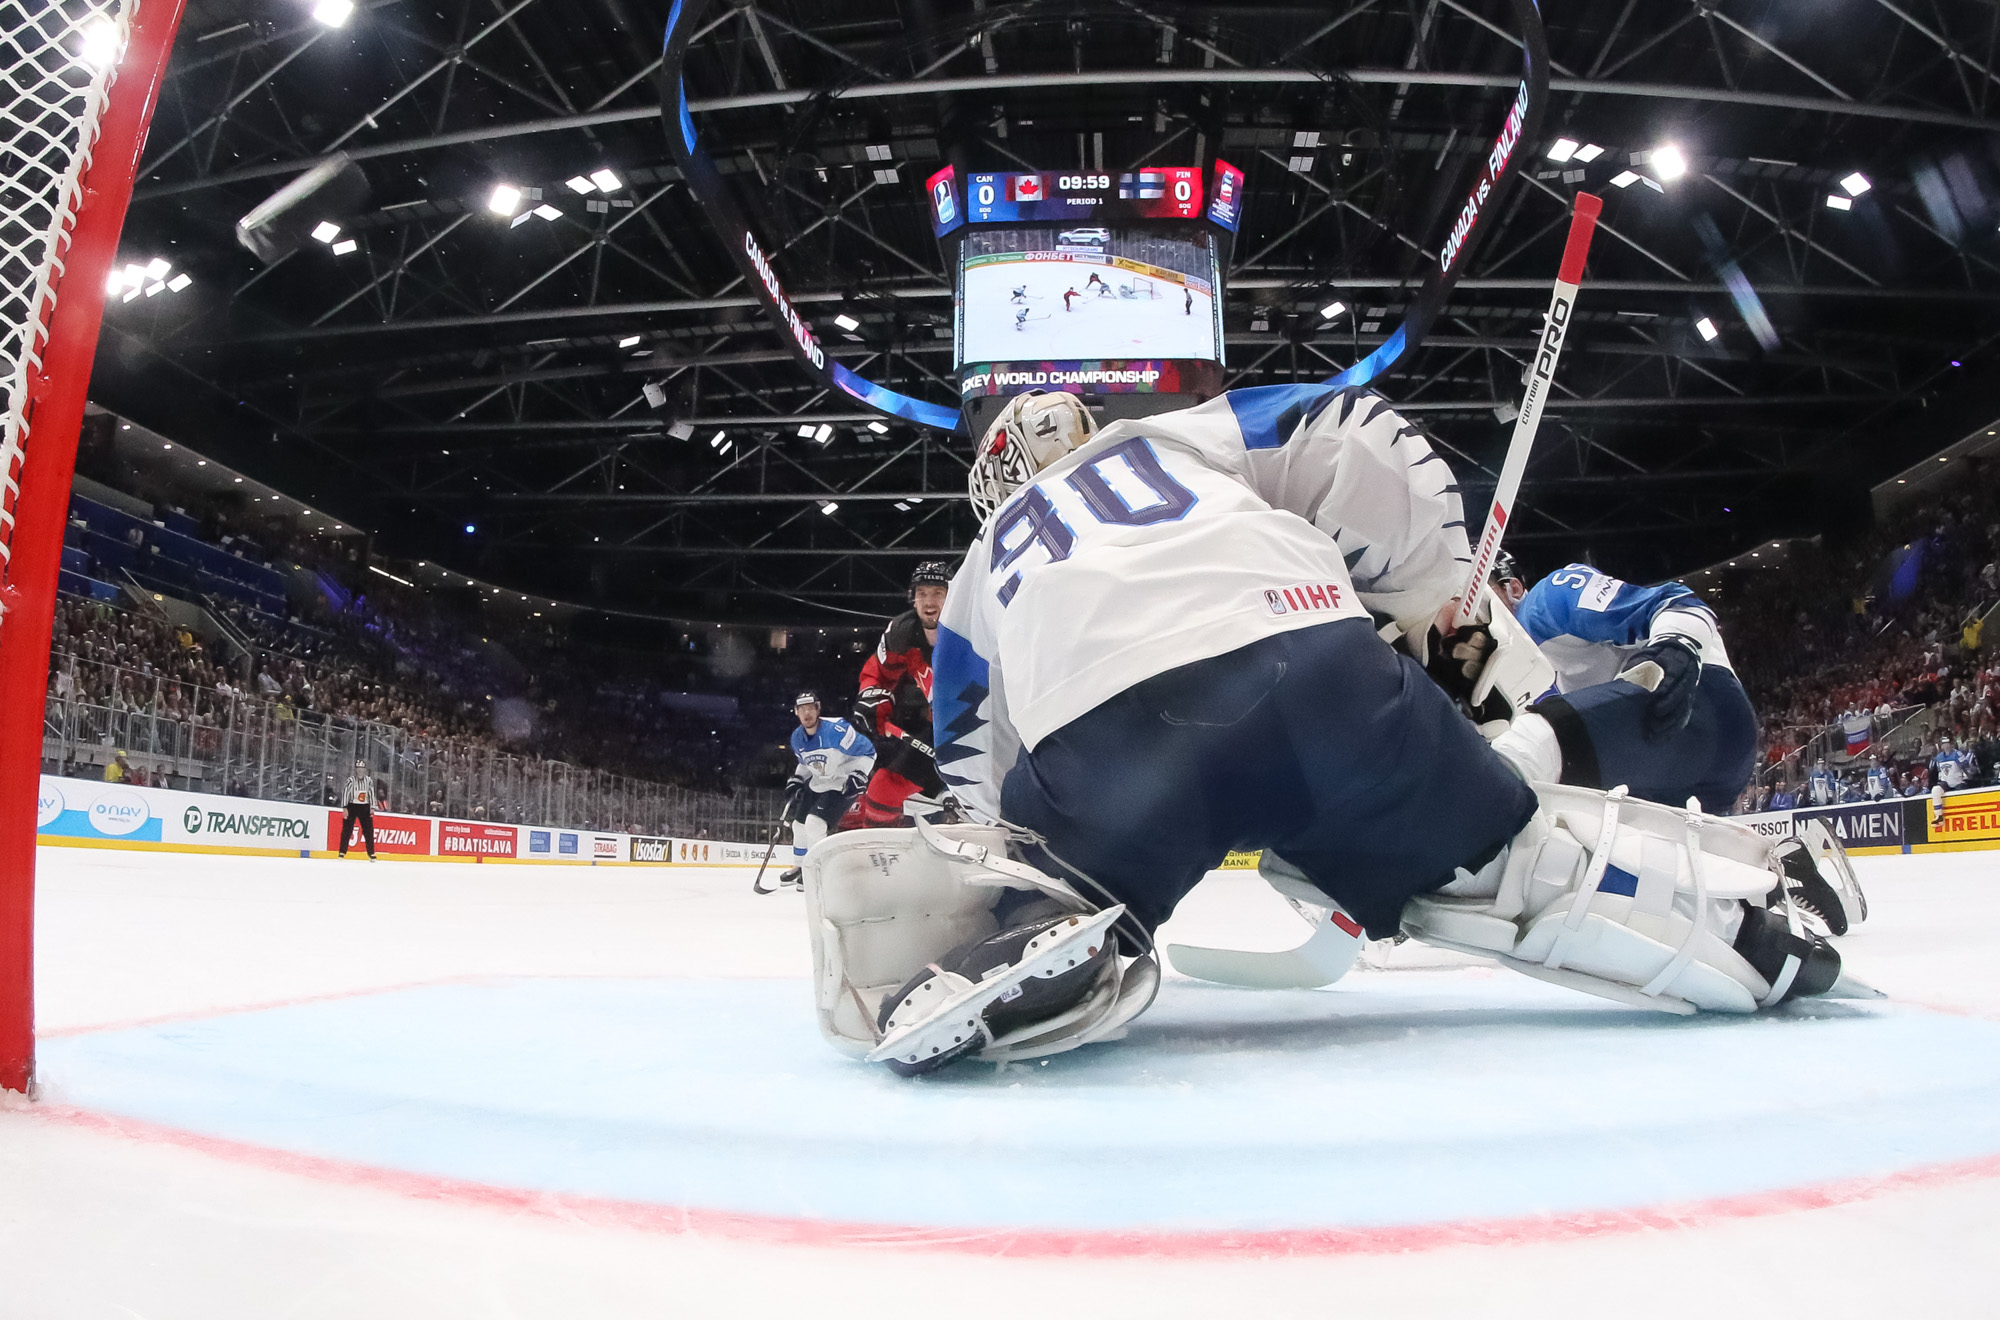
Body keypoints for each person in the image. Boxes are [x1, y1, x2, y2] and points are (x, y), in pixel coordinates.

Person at [801, 385, 1859, 1077]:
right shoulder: (1172, 439)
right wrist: (1419, 584)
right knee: (1505, 860)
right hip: (1314, 670)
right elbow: (1355, 437)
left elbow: (970, 765)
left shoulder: (983, 574)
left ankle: (1068, 922)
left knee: (1061, 870)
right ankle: (1745, 934)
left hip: (1111, 759)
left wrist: (1016, 873)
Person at [1491, 557, 1755, 815]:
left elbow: (1680, 604)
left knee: (1522, 746)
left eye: (1479, 596)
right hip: (1671, 767)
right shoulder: (1497, 675)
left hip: (1698, 710)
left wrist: (1676, 648)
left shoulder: (1545, 602)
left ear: (1512, 588)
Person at [853, 562, 949, 827]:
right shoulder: (902, 632)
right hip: (941, 731)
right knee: (882, 792)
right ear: (913, 598)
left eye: (939, 593)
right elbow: (878, 674)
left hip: (988, 730)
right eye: (923, 593)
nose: (930, 601)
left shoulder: (974, 628)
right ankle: (882, 863)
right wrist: (874, 699)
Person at [777, 691, 875, 889]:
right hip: (820, 780)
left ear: (818, 708)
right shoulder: (797, 738)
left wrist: (860, 774)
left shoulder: (836, 730)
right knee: (799, 825)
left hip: (843, 780)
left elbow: (868, 751)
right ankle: (801, 867)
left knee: (815, 824)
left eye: (810, 708)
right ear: (796, 712)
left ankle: (817, 870)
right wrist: (797, 779)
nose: (807, 713)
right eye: (802, 709)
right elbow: (806, 764)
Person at [338, 759, 381, 860]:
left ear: (365, 770)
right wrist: (344, 808)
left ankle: (371, 853)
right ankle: (342, 852)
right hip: (352, 805)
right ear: (355, 770)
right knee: (347, 830)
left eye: (362, 769)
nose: (360, 771)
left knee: (368, 831)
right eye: (358, 769)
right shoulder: (351, 780)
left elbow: (371, 793)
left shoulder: (368, 780)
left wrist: (372, 807)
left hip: (364, 806)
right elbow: (346, 793)